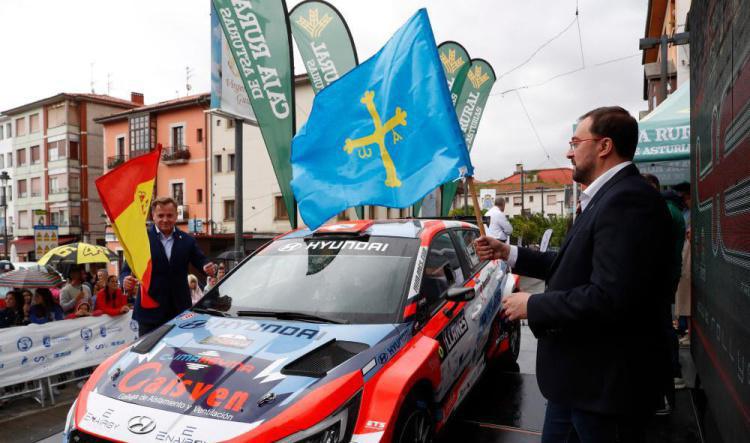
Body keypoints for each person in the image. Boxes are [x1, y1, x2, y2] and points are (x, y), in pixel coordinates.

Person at [476, 106, 673, 442]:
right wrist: (507, 252)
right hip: (577, 384)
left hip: (604, 390)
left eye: (575, 142)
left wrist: (534, 305)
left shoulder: (627, 201)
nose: (569, 152)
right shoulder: (605, 198)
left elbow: (612, 297)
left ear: (604, 146)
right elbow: (570, 264)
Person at [122, 196, 216, 335]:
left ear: (176, 216)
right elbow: (125, 271)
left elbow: (202, 261)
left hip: (179, 311)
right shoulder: (141, 240)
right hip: (150, 312)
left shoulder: (187, 240)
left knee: (179, 355)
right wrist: (124, 281)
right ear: (153, 216)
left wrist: (207, 267)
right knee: (150, 355)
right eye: (160, 215)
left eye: (169, 215)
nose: (165, 220)